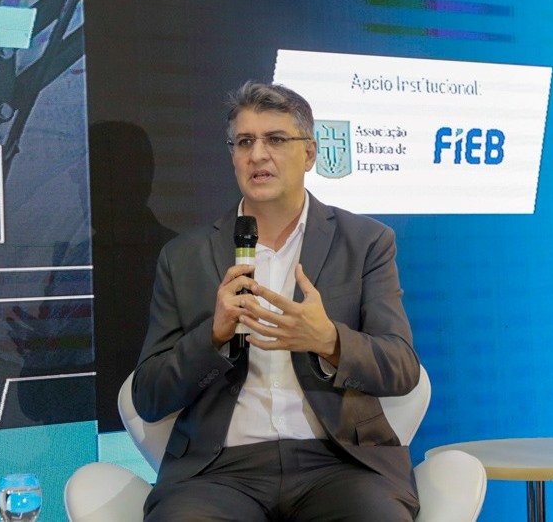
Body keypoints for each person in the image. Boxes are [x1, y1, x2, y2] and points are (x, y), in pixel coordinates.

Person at [132, 81, 421, 521]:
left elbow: (401, 367)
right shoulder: (184, 256)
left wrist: (329, 340)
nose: (258, 154)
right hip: (219, 472)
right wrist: (213, 336)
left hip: (340, 464)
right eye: (244, 142)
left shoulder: (365, 242)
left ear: (309, 154)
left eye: (276, 139)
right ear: (232, 155)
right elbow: (149, 396)